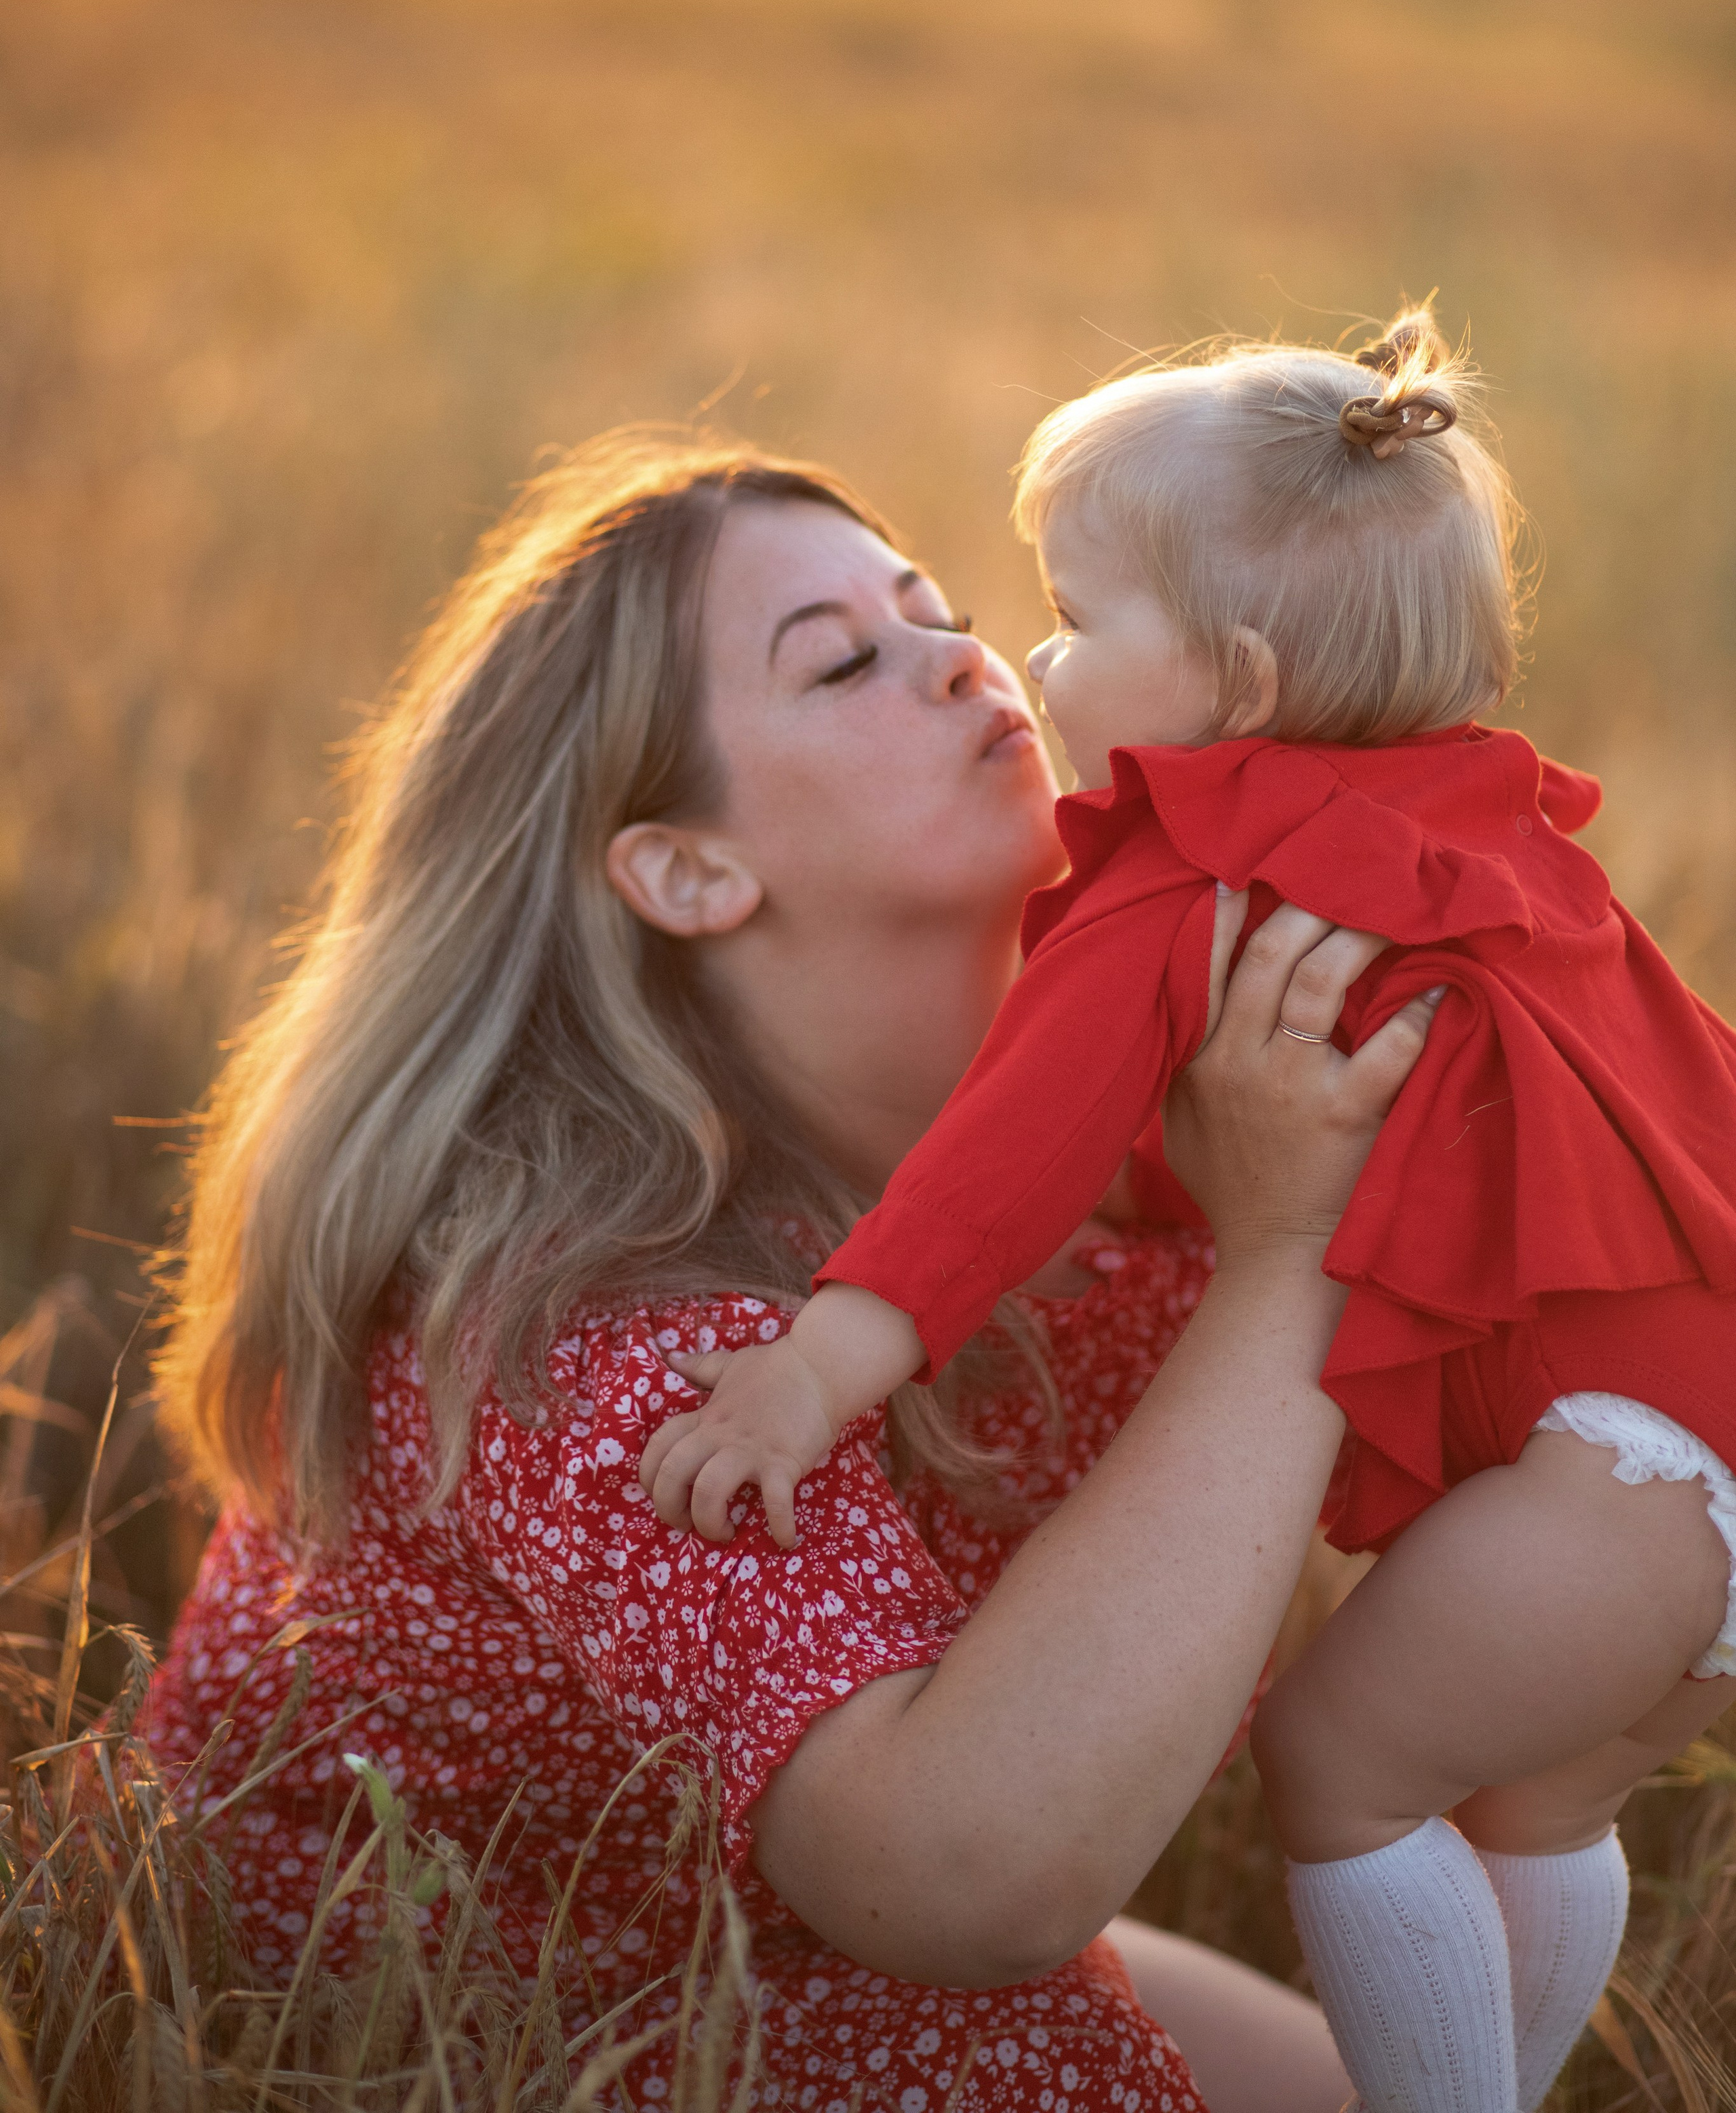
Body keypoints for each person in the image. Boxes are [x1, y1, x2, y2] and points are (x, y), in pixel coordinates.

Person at [147, 433, 1437, 2113]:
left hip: (777, 1950)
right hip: (466, 2034)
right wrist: (1284, 1260)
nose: (964, 657)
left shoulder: (1130, 1098)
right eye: (841, 662)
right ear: (685, 869)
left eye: (941, 611)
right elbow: (966, 1879)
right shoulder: (590, 1323)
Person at [643, 313, 1736, 2113]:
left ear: (1225, 681)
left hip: (1616, 1463)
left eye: (1070, 618)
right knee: (1533, 1793)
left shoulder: (1191, 881)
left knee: (1344, 1764)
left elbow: (996, 1171)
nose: (1034, 658)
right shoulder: (1492, 823)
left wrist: (810, 1378)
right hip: (1679, 1423)